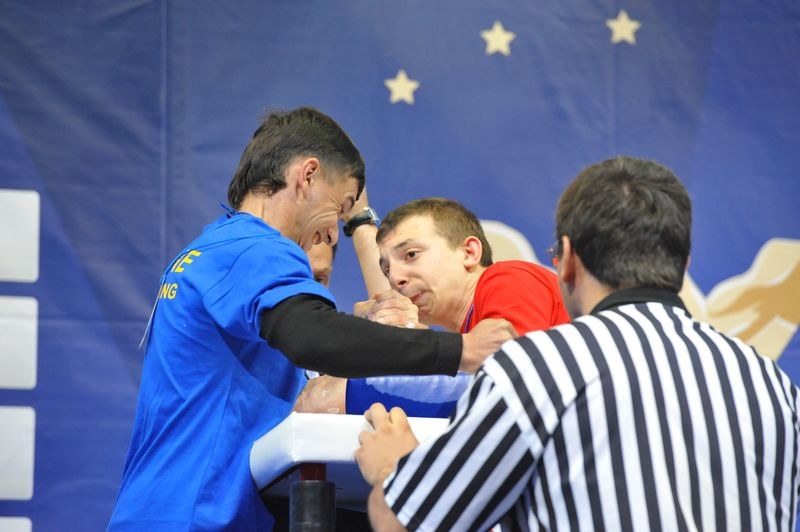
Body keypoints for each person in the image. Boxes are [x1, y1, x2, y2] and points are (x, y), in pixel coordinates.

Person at [108, 107, 514, 530]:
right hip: (196, 517)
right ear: (307, 176)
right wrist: (462, 349)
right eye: (340, 208)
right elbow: (315, 336)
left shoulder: (215, 249)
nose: (335, 232)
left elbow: (321, 339)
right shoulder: (257, 248)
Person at [355, 156, 800, 531]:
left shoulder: (539, 366)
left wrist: (392, 470)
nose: (396, 276)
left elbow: (405, 520)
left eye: (411, 256)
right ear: (683, 262)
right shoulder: (774, 384)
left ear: (565, 260)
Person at [295, 198, 570, 417]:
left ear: (469, 252)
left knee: (328, 395)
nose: (395, 278)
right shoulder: (472, 330)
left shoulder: (508, 278)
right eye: (387, 268)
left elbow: (513, 389)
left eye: (411, 255)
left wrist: (350, 393)